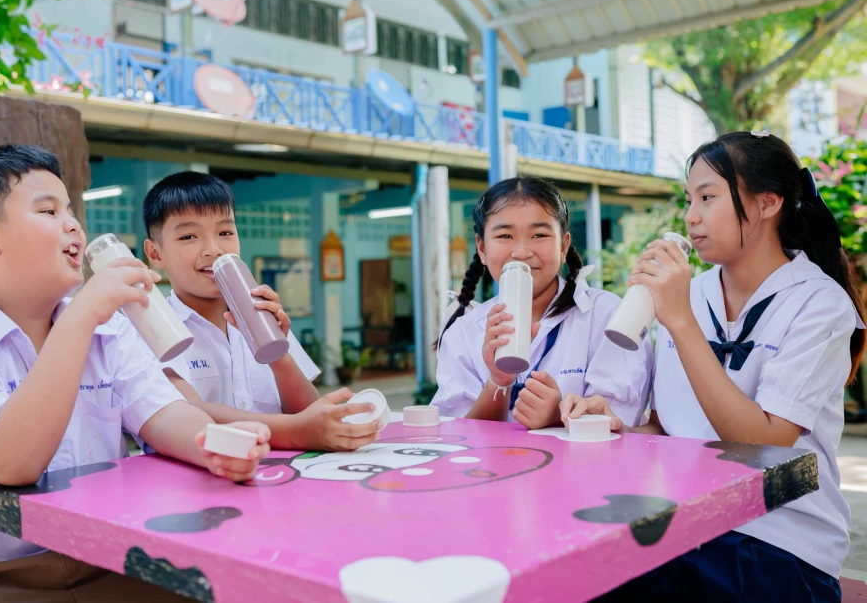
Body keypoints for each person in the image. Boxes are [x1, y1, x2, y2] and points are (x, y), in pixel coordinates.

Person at [0, 145, 269, 601]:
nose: (74, 225)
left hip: (101, 558)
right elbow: (12, 462)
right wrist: (82, 315)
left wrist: (215, 445)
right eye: (48, 211)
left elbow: (166, 414)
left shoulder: (109, 329)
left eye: (71, 211)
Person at [564, 131, 866, 602]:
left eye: (707, 197)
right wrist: (616, 426)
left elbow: (764, 440)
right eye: (689, 199)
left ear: (767, 203)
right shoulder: (692, 294)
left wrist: (681, 321)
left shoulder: (819, 303)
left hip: (779, 539)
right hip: (683, 524)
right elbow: (670, 426)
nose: (691, 216)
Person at [141, 171, 381, 452]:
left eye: (225, 233)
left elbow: (307, 412)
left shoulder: (263, 313)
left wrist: (277, 353)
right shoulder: (150, 328)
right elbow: (187, 414)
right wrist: (296, 431)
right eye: (188, 236)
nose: (213, 249)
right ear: (155, 254)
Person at [431, 176, 650, 429]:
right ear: (482, 248)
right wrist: (499, 381)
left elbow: (618, 423)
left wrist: (558, 416)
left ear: (564, 246)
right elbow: (457, 434)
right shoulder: (463, 332)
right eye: (505, 235)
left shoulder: (606, 316)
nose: (522, 252)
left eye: (539, 234)